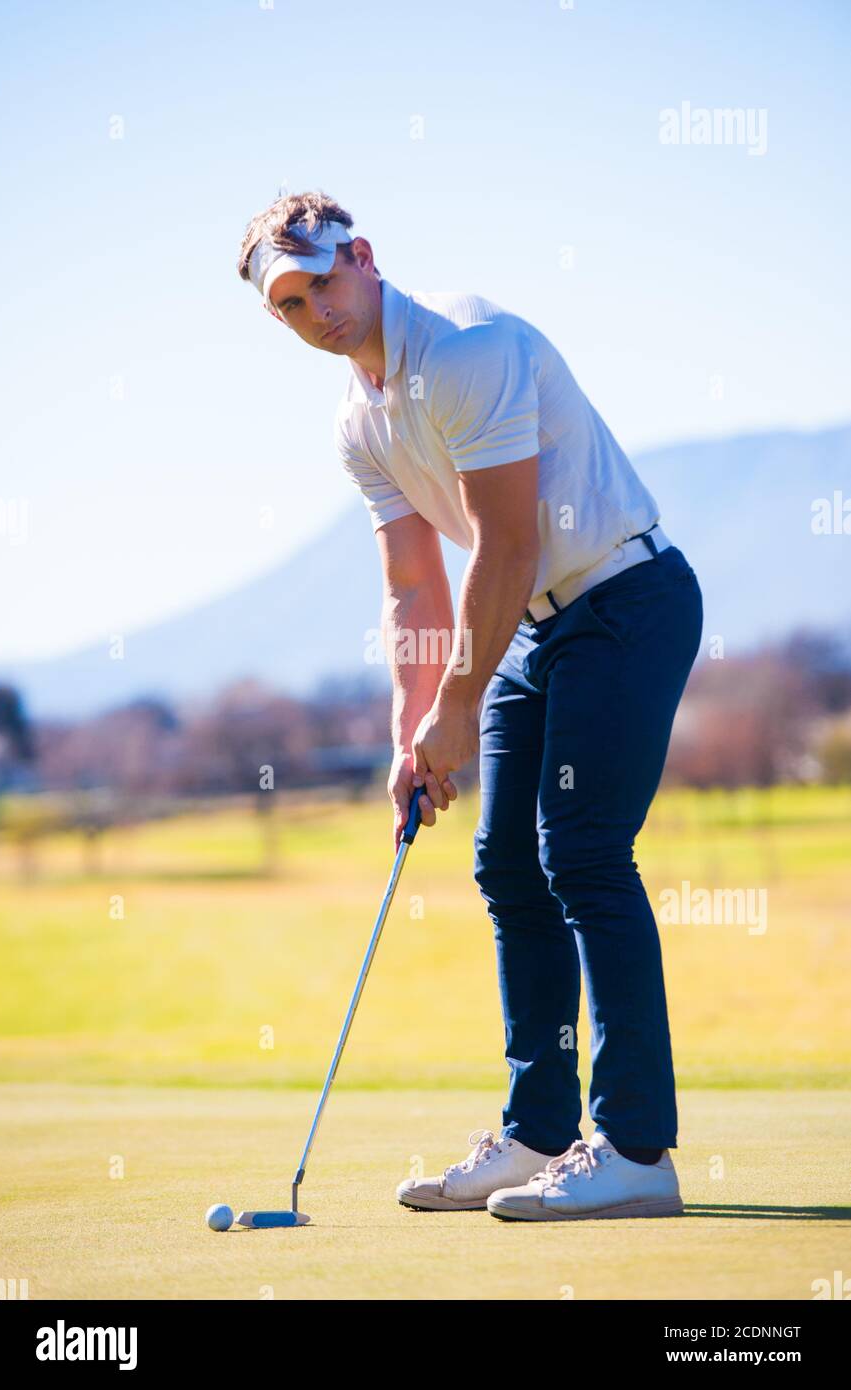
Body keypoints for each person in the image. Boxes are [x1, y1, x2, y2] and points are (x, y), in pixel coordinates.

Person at [237, 191, 703, 1222]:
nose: (317, 311)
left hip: (624, 597)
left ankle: (635, 1149)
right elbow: (413, 583)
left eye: (322, 282)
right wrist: (417, 731)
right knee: (506, 864)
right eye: (290, 305)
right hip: (534, 627)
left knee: (579, 853)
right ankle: (538, 1132)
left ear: (361, 255)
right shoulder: (359, 422)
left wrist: (459, 702)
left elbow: (507, 541)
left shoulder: (463, 346)